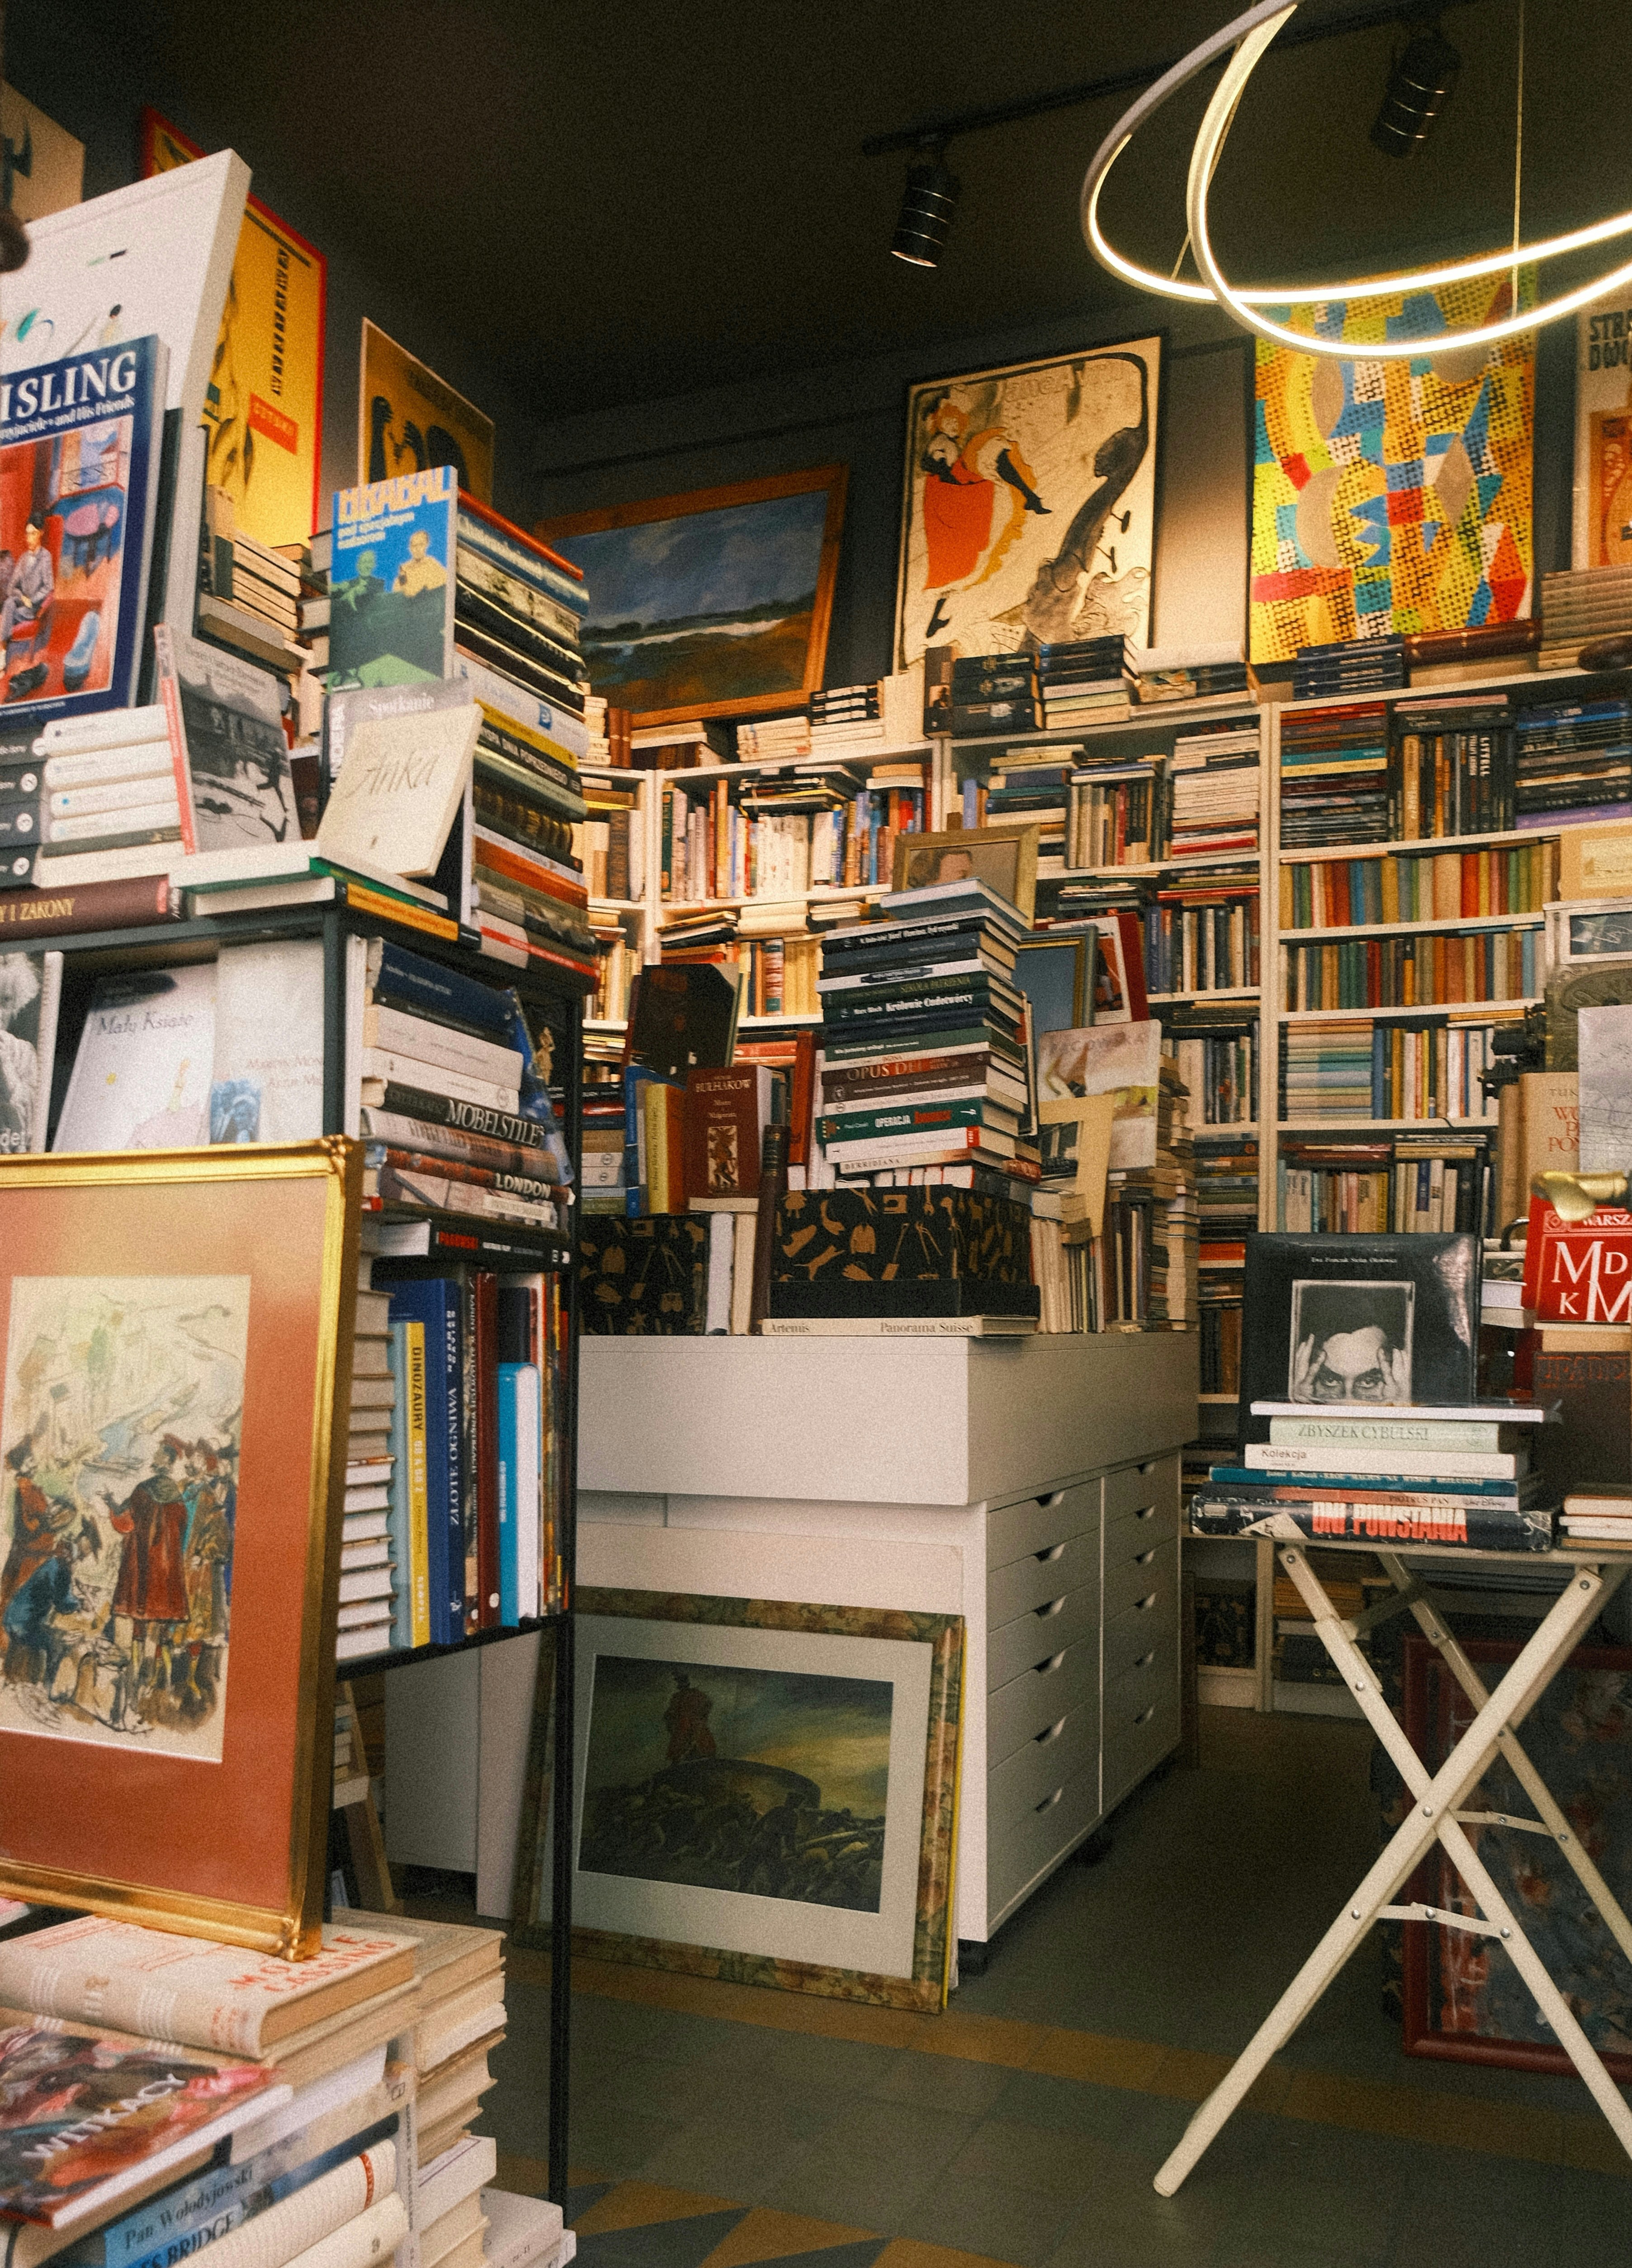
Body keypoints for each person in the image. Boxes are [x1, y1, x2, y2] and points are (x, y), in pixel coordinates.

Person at [0, 515, 53, 665]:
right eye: (27, 534)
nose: (29, 539)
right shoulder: (23, 558)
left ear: (41, 533)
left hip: (33, 608)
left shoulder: (46, 557)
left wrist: (33, 600)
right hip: (21, 604)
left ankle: (2, 652)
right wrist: (23, 598)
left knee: (6, 614)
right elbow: (11, 587)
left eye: (33, 534)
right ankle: (3, 651)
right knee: (9, 603)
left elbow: (49, 587)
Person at [663, 1669, 716, 1764]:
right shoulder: (679, 1697)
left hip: (692, 1728)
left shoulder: (693, 1695)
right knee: (681, 1751)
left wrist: (700, 1717)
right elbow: (670, 1714)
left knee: (700, 1748)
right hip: (687, 1727)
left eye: (681, 1681)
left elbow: (708, 1705)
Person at [393, 526, 446, 597]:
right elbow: (397, 594)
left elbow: (444, 585)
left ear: (426, 545)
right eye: (414, 546)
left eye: (421, 545)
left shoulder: (432, 564)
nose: (418, 549)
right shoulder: (404, 570)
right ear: (410, 548)